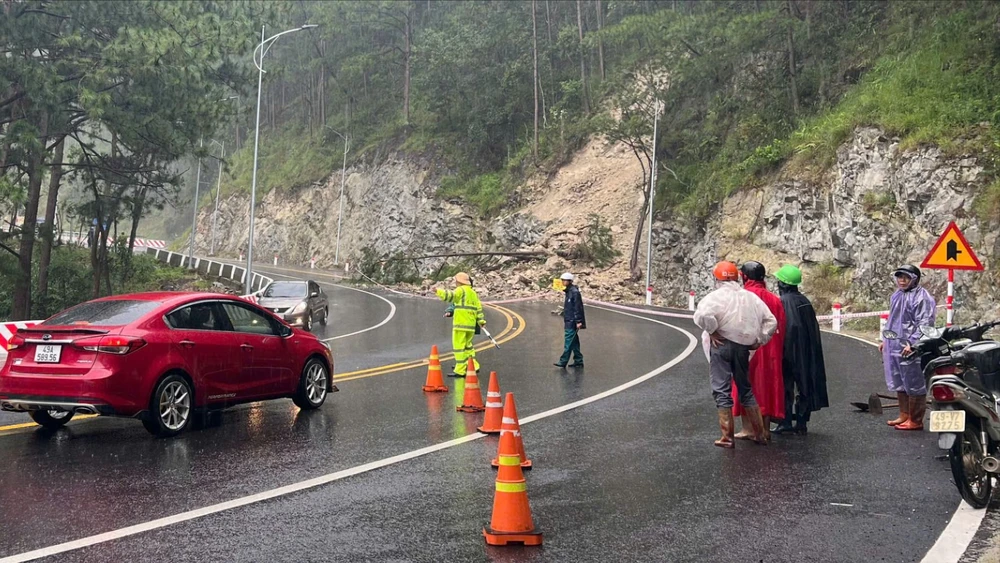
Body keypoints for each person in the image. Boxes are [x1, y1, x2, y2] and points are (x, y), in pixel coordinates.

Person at [694, 261, 778, 448]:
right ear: (737, 277)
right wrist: (760, 339)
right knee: (745, 388)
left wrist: (712, 330)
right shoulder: (750, 297)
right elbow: (771, 321)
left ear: (717, 278)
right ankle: (759, 434)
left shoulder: (713, 297)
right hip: (743, 348)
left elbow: (702, 316)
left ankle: (727, 437)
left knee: (721, 389)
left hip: (721, 345)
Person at [772, 265, 829, 435]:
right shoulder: (804, 301)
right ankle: (802, 422)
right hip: (808, 349)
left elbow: (787, 329)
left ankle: (786, 421)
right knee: (806, 384)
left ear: (783, 284)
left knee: (786, 385)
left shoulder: (783, 302)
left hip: (789, 350)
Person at [732, 261, 786, 442]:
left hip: (750, 349)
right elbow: (782, 327)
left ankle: (749, 428)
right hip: (772, 350)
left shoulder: (743, 297)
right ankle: (765, 427)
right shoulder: (774, 299)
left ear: (744, 276)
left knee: (747, 386)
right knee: (769, 386)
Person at [880, 264, 936, 431]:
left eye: (906, 277)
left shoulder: (922, 297)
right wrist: (885, 340)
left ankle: (916, 420)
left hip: (911, 348)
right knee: (899, 381)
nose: (902, 280)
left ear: (915, 279)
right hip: (895, 345)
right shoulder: (896, 296)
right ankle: (904, 414)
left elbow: (925, 323)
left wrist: (914, 343)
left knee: (914, 382)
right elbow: (892, 320)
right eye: (899, 277)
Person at [436, 272, 486, 377]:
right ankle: (473, 366)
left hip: (460, 325)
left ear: (459, 281)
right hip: (471, 326)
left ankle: (460, 370)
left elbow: (450, 296)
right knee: (468, 347)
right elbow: (479, 309)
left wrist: (438, 291)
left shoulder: (460, 290)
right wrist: (481, 321)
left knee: (459, 347)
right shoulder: (473, 293)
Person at [554, 272, 586, 368]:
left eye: (564, 280)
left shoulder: (574, 293)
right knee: (574, 342)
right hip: (569, 320)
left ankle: (563, 361)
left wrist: (579, 321)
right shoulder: (569, 291)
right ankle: (578, 360)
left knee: (568, 342)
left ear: (569, 281)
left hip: (572, 321)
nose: (562, 282)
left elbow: (577, 307)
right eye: (562, 280)